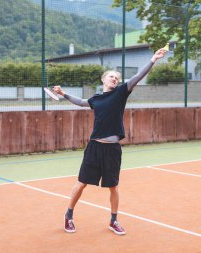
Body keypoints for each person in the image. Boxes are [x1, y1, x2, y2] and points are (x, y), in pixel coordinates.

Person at [52, 47, 167, 235]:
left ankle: (113, 221)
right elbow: (81, 102)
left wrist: (153, 59)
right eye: (111, 76)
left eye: (117, 77)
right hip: (95, 147)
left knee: (113, 186)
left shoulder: (121, 92)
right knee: (81, 183)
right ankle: (69, 216)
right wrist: (63, 93)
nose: (114, 79)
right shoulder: (96, 99)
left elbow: (138, 76)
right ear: (103, 80)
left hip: (113, 149)